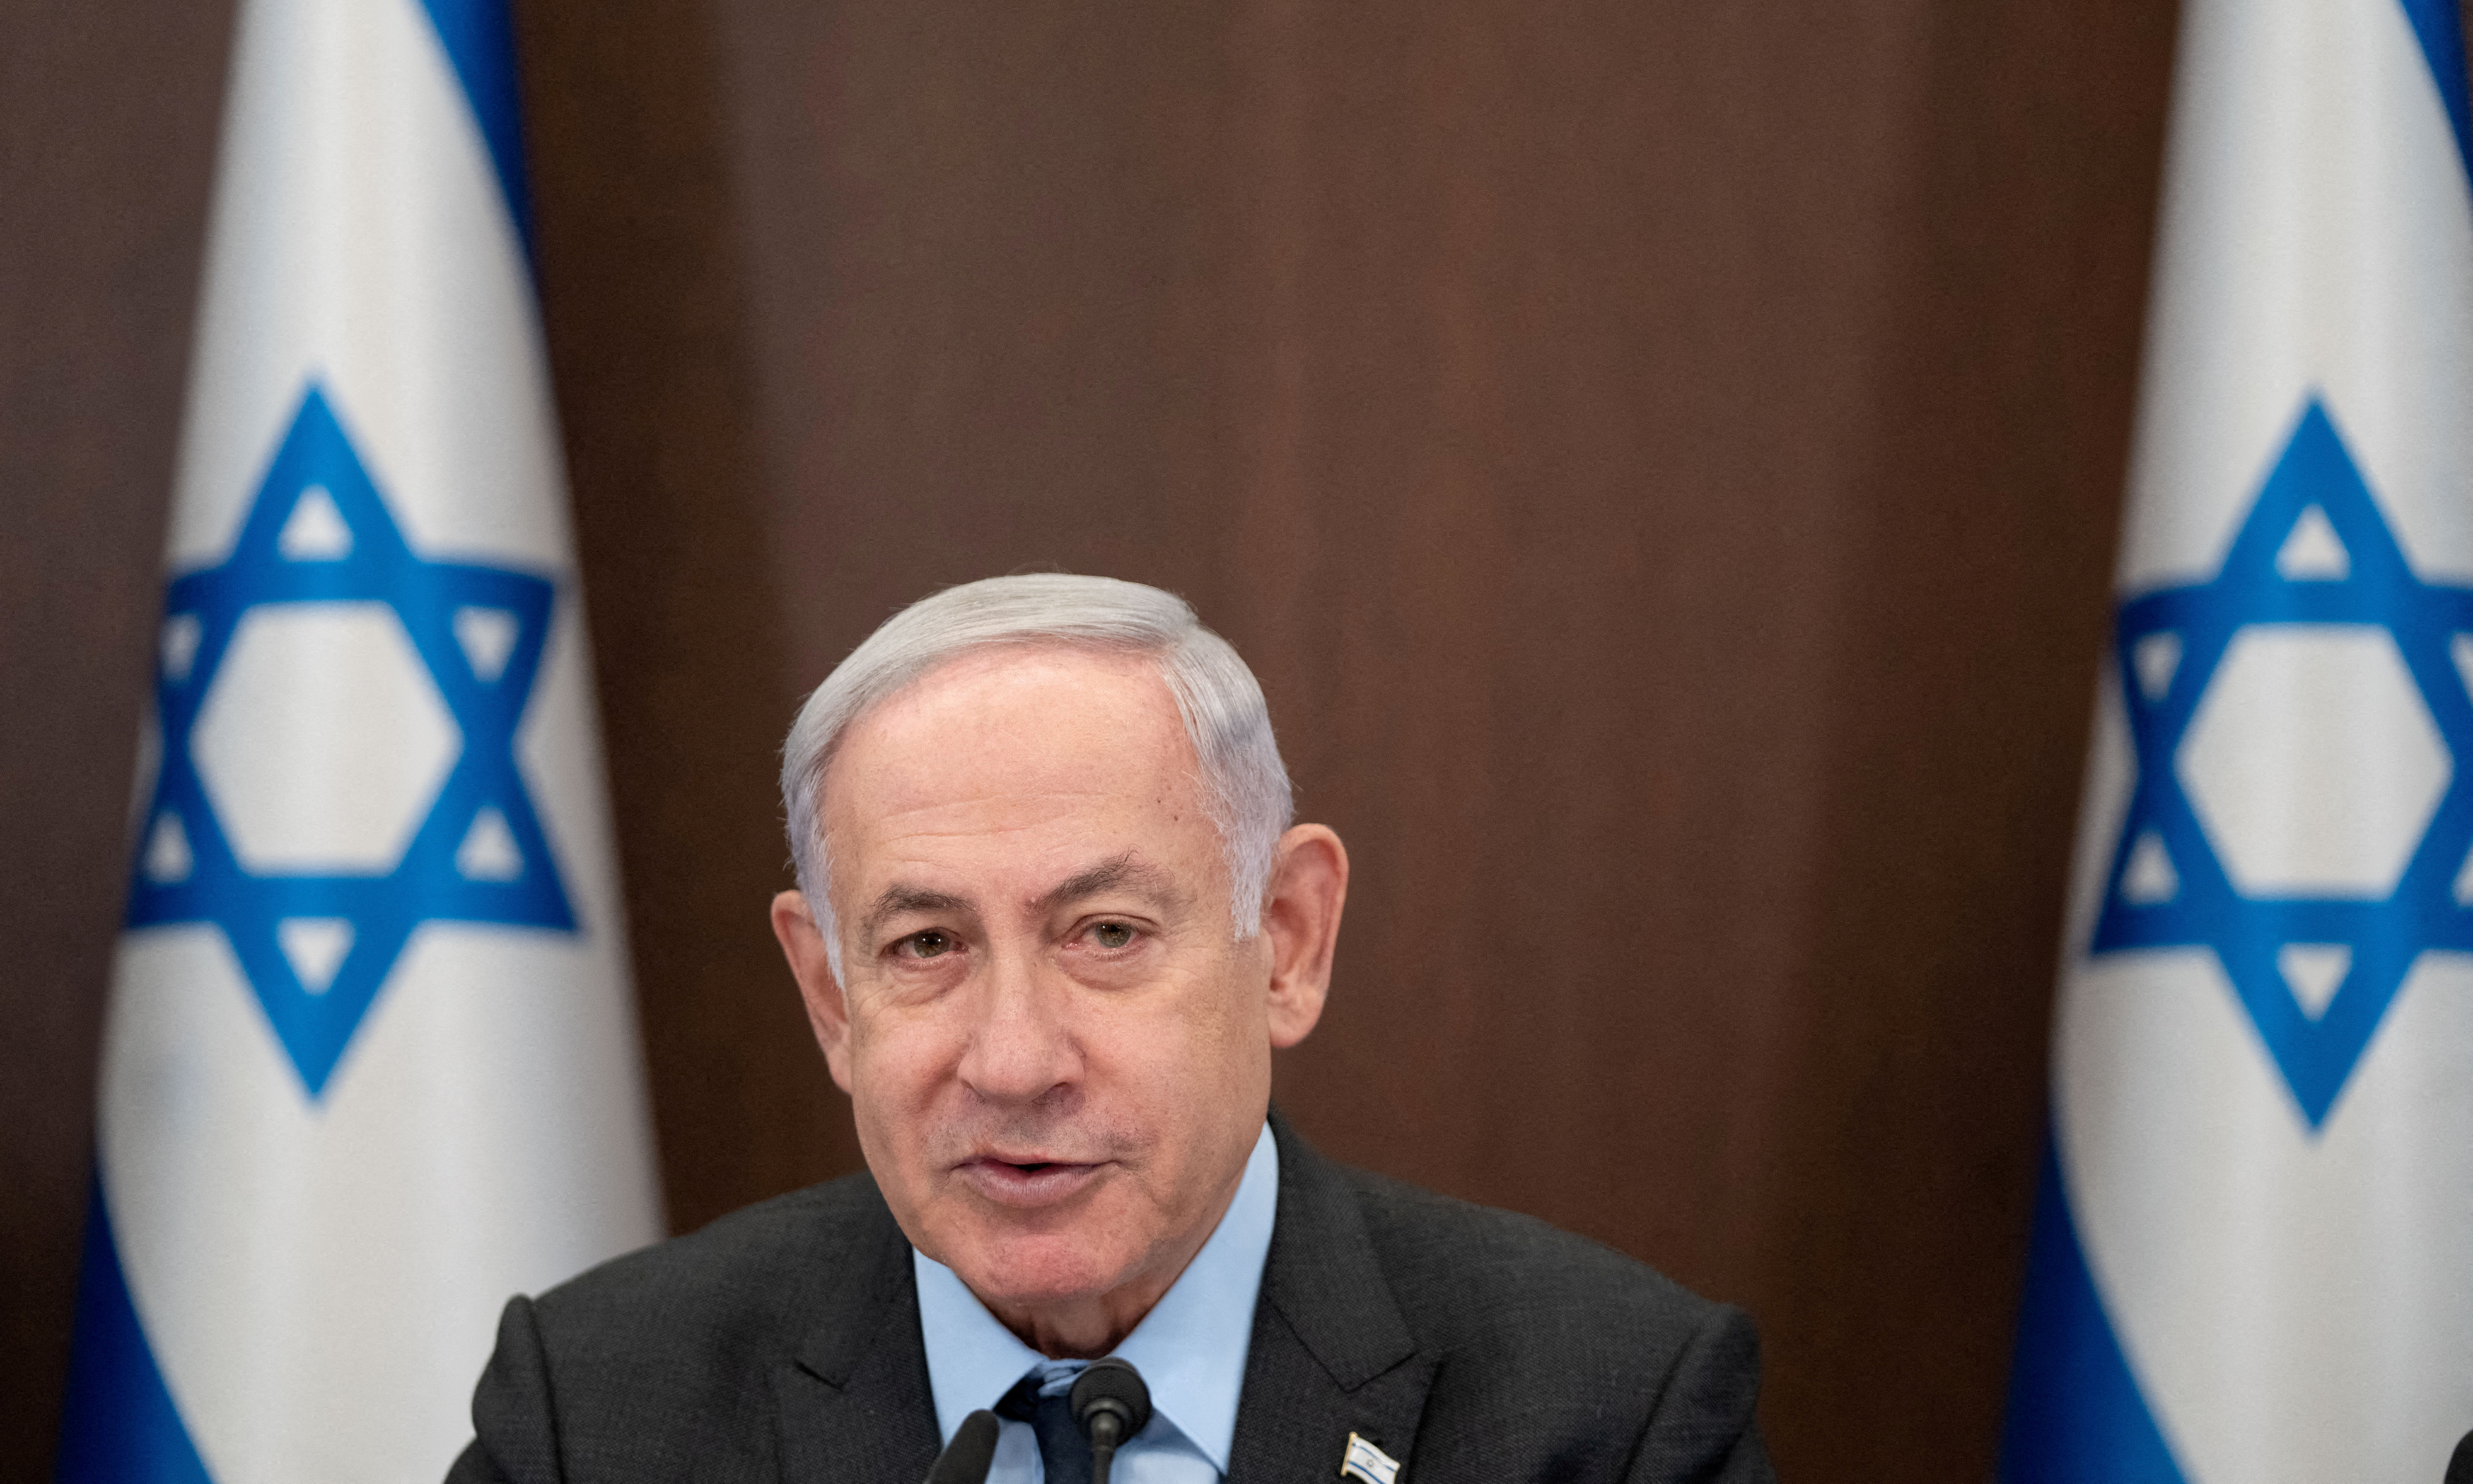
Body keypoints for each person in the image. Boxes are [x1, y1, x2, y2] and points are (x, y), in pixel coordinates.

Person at [448, 574, 1774, 1483]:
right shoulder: (598, 1412)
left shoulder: (1608, 1419)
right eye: (925, 946)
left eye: (1106, 935)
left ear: (1290, 941)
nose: (1016, 1059)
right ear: (829, 993)